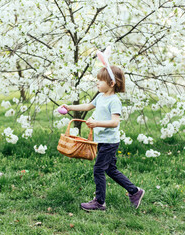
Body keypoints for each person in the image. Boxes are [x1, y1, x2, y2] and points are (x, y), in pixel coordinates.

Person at [60, 65, 145, 211]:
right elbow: (87, 106)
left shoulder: (114, 101)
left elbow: (114, 122)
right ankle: (135, 191)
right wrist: (69, 107)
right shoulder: (100, 96)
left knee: (98, 169)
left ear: (112, 84)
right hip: (102, 141)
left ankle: (99, 202)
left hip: (109, 142)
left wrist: (96, 123)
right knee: (110, 169)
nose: (97, 83)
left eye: (100, 80)